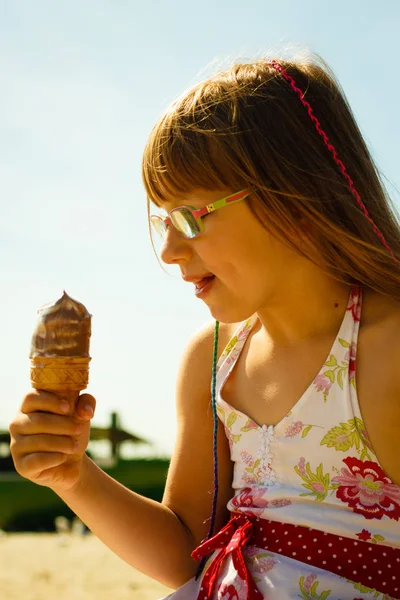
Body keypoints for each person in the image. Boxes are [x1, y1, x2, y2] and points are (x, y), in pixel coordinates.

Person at [9, 53, 400, 599]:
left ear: (297, 198)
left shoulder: (385, 350)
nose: (168, 251)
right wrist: (72, 476)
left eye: (191, 217)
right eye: (161, 222)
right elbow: (182, 551)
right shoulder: (212, 359)